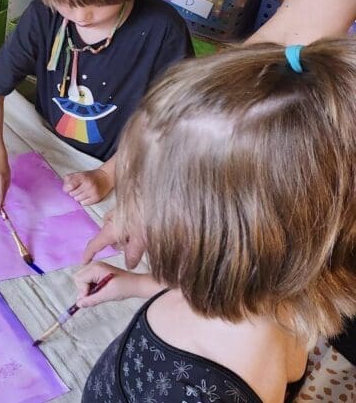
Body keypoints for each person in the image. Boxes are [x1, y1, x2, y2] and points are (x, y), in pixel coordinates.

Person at [72, 39, 356, 402]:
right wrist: (134, 285)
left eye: (142, 191)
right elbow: (214, 296)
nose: (126, 211)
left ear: (214, 239)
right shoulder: (257, 295)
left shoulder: (214, 389)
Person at [0, 0, 193, 212]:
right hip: (53, 156)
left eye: (99, 3)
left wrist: (107, 175)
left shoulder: (163, 29)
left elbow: (169, 124)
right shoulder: (43, 15)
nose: (80, 16)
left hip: (125, 165)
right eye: (65, 1)